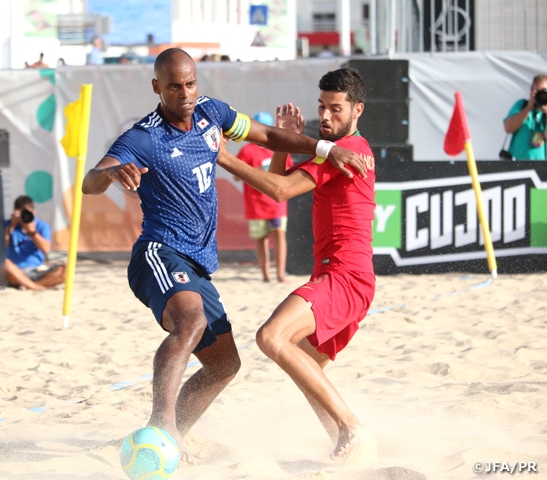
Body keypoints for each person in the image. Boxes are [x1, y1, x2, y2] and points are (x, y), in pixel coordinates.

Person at [81, 48, 366, 464]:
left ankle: (170, 435)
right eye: (175, 86)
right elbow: (90, 182)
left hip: (197, 263)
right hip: (160, 252)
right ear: (157, 88)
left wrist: (323, 148)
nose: (186, 93)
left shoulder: (211, 112)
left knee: (225, 364)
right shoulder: (142, 137)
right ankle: (162, 425)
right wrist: (107, 174)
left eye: (191, 83)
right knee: (191, 322)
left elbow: (267, 136)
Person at [217, 68, 377, 463]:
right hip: (338, 276)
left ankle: (352, 429)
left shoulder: (349, 151)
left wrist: (222, 157)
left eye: (335, 109)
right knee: (308, 371)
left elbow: (280, 189)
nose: (325, 116)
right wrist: (281, 146)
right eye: (321, 107)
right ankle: (345, 448)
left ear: (358, 110)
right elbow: (280, 187)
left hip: (345, 276)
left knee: (271, 338)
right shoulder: (333, 149)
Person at [235, 111, 294, 283]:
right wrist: (256, 173)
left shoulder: (279, 147)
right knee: (261, 239)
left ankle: (281, 274)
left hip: (276, 201)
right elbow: (237, 175)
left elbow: (289, 170)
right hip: (256, 203)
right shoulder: (247, 150)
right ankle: (266, 275)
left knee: (279, 235)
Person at [4, 195, 65, 291]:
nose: (23, 215)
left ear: (34, 212)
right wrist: (11, 227)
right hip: (15, 271)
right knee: (5, 264)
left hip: (37, 270)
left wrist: (32, 233)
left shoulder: (41, 226)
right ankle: (36, 287)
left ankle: (28, 285)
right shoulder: (7, 225)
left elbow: (46, 249)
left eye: (26, 212)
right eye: (20, 212)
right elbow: (0, 248)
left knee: (65, 271)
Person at [503, 74, 547, 160]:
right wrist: (528, 108)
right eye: (538, 92)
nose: (541, 96)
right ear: (531, 92)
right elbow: (508, 128)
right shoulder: (521, 105)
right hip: (517, 164)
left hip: (542, 168)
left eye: (544, 92)